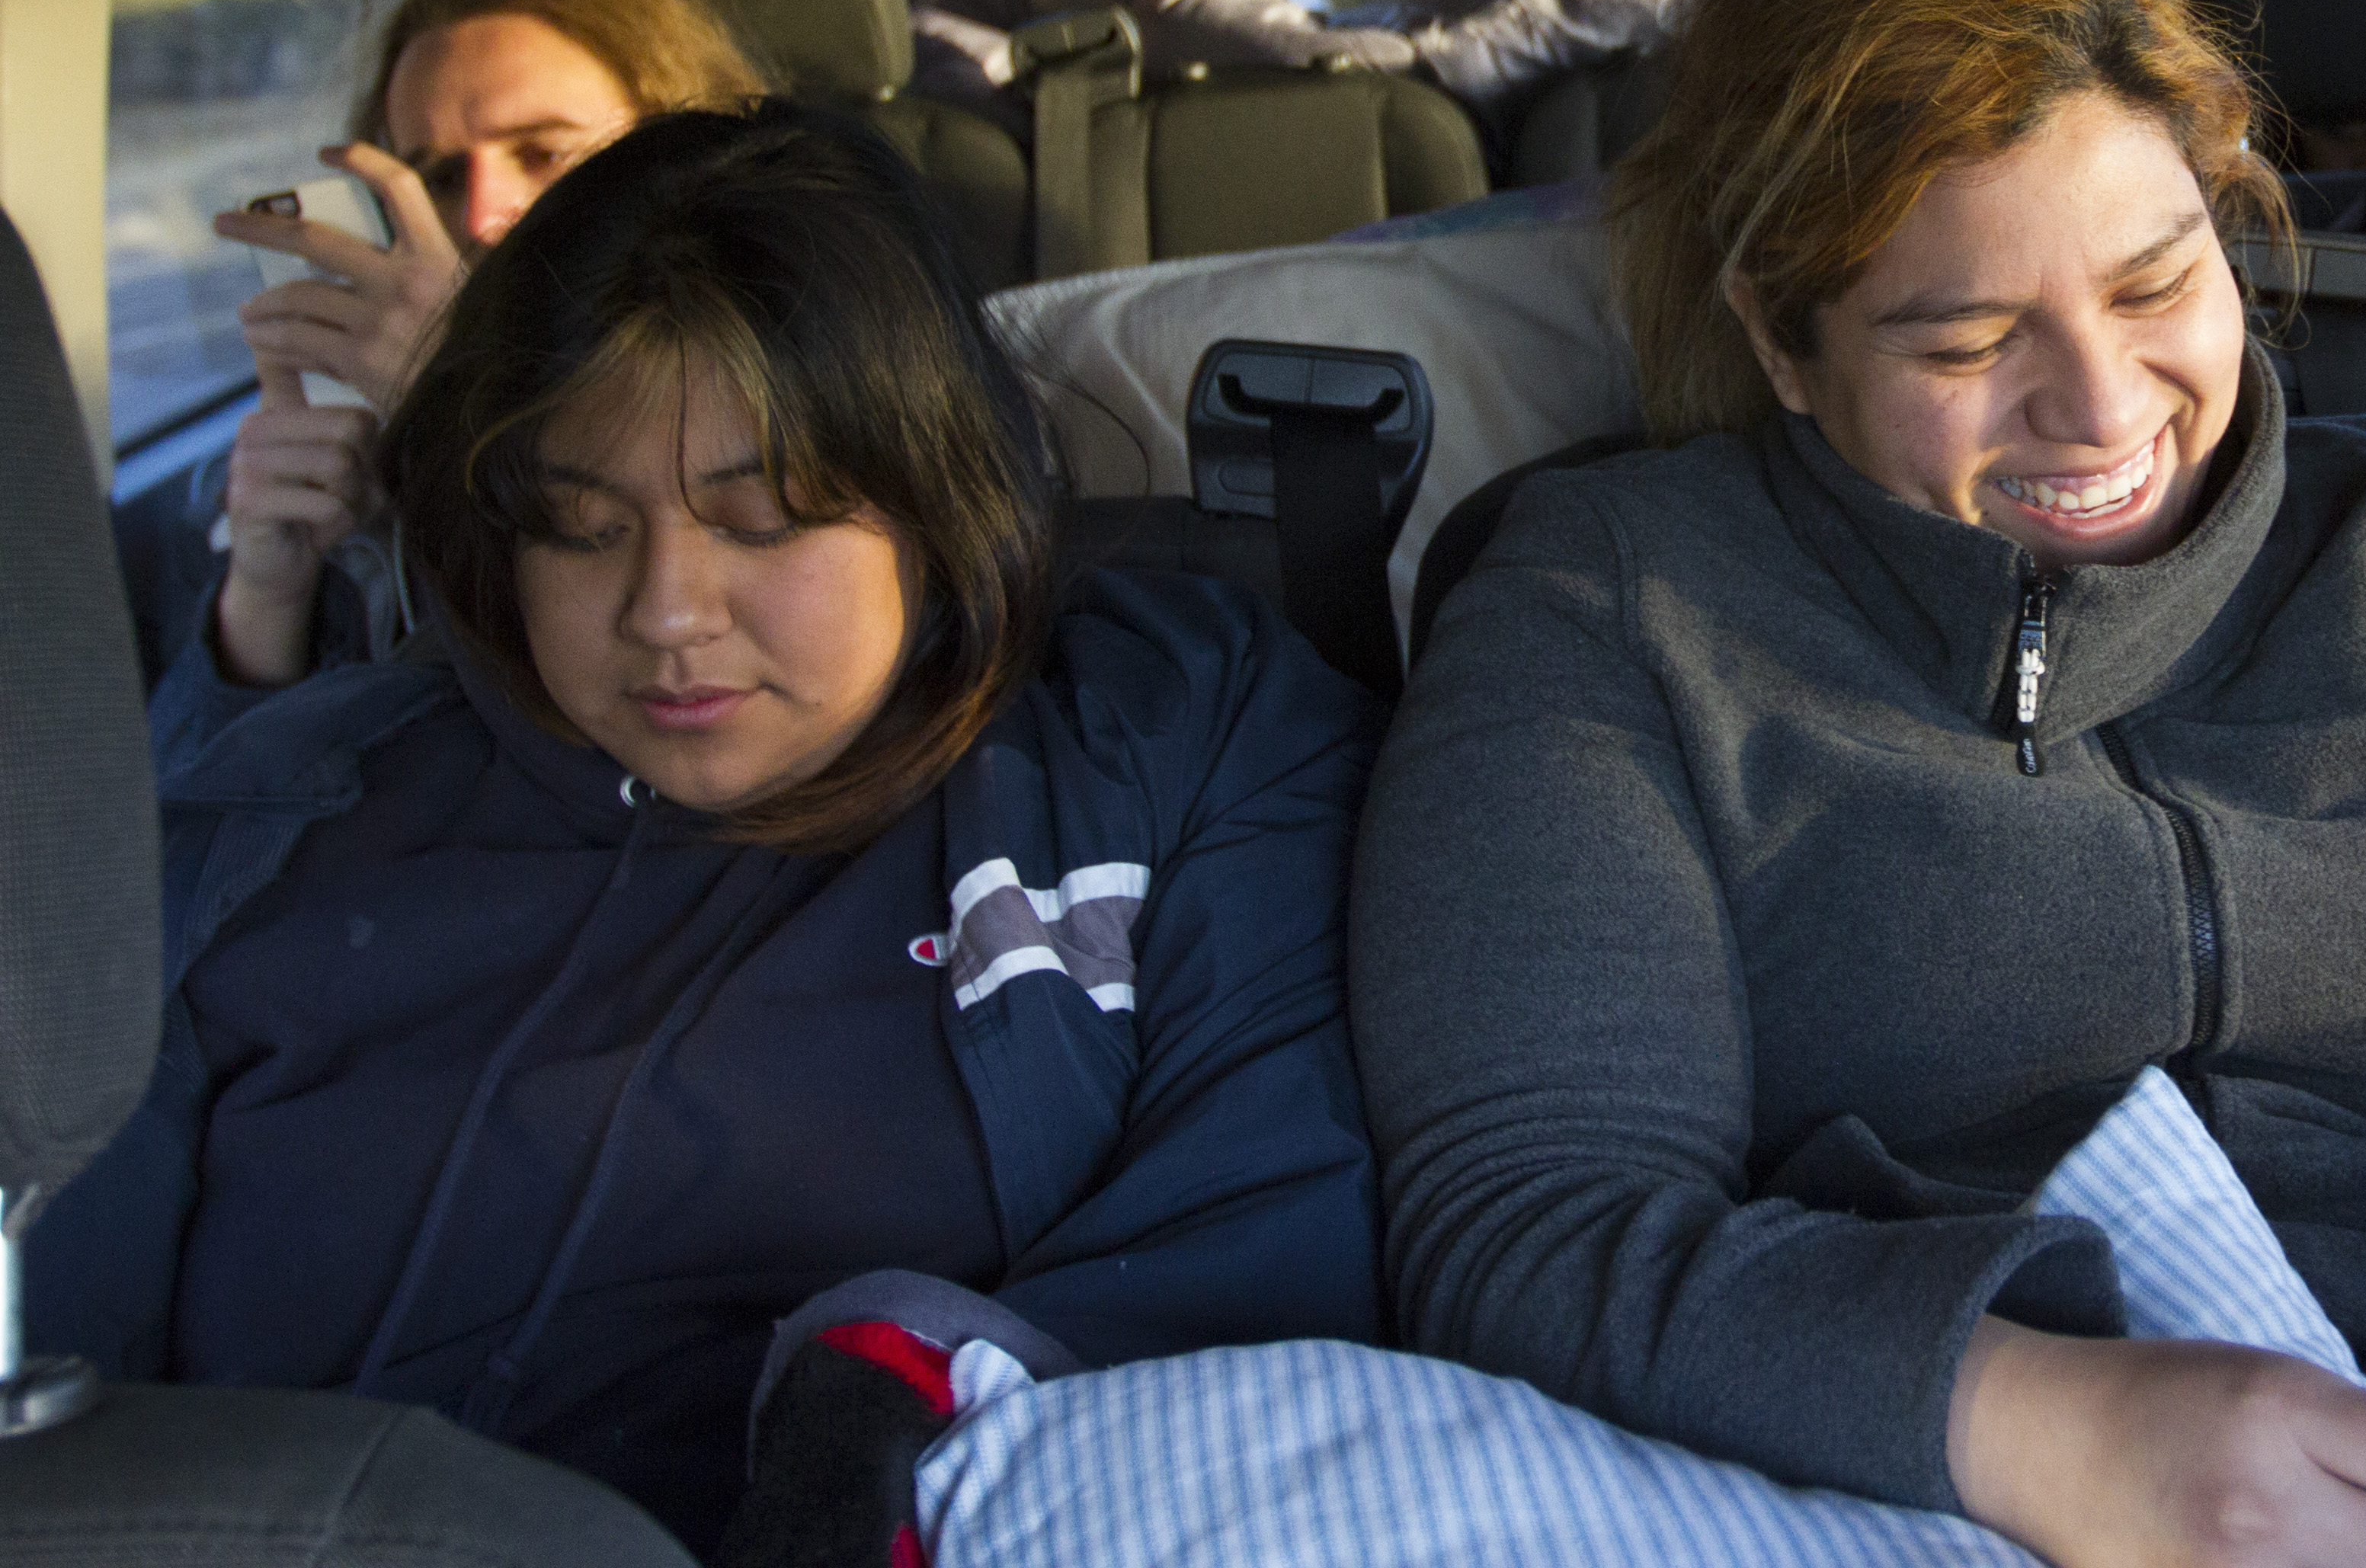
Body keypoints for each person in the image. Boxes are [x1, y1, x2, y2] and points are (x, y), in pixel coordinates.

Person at [1349, 0, 2366, 1568]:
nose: (2100, 409)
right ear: (1781, 343)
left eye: (2160, 282)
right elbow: (1537, 1226)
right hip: (1917, 1493)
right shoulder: (1604, 607)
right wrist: (2054, 1430)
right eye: (1967, 341)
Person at [35, 102, 1382, 1560]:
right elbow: (52, 1363)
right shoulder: (278, 820)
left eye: (764, 520)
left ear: (937, 501)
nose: (665, 613)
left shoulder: (1165, 741)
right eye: (585, 525)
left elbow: (1263, 1260)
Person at [191, 0, 763, 690]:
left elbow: (650, 740)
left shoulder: (795, 386)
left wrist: (454, 405)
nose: (483, 219)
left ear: (683, 152)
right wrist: (269, 597)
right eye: (441, 176)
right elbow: (204, 794)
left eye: (542, 152)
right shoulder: (355, 418)